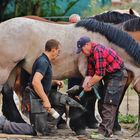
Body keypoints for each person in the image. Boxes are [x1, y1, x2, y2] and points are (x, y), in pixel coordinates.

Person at [76, 36, 128, 138]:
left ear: (87, 45)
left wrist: (90, 84)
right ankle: (107, 129)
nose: (82, 52)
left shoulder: (98, 51)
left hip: (118, 75)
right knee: (102, 101)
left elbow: (99, 74)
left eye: (82, 49)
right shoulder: (90, 55)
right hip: (109, 76)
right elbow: (90, 73)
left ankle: (104, 132)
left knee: (109, 103)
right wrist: (84, 87)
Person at [29, 39, 63, 135]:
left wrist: (54, 82)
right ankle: (4, 124)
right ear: (53, 49)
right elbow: (35, 82)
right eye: (58, 51)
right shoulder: (43, 62)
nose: (58, 53)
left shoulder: (44, 60)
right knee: (38, 131)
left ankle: (48, 125)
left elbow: (41, 81)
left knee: (61, 102)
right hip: (37, 100)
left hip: (39, 98)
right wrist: (45, 100)